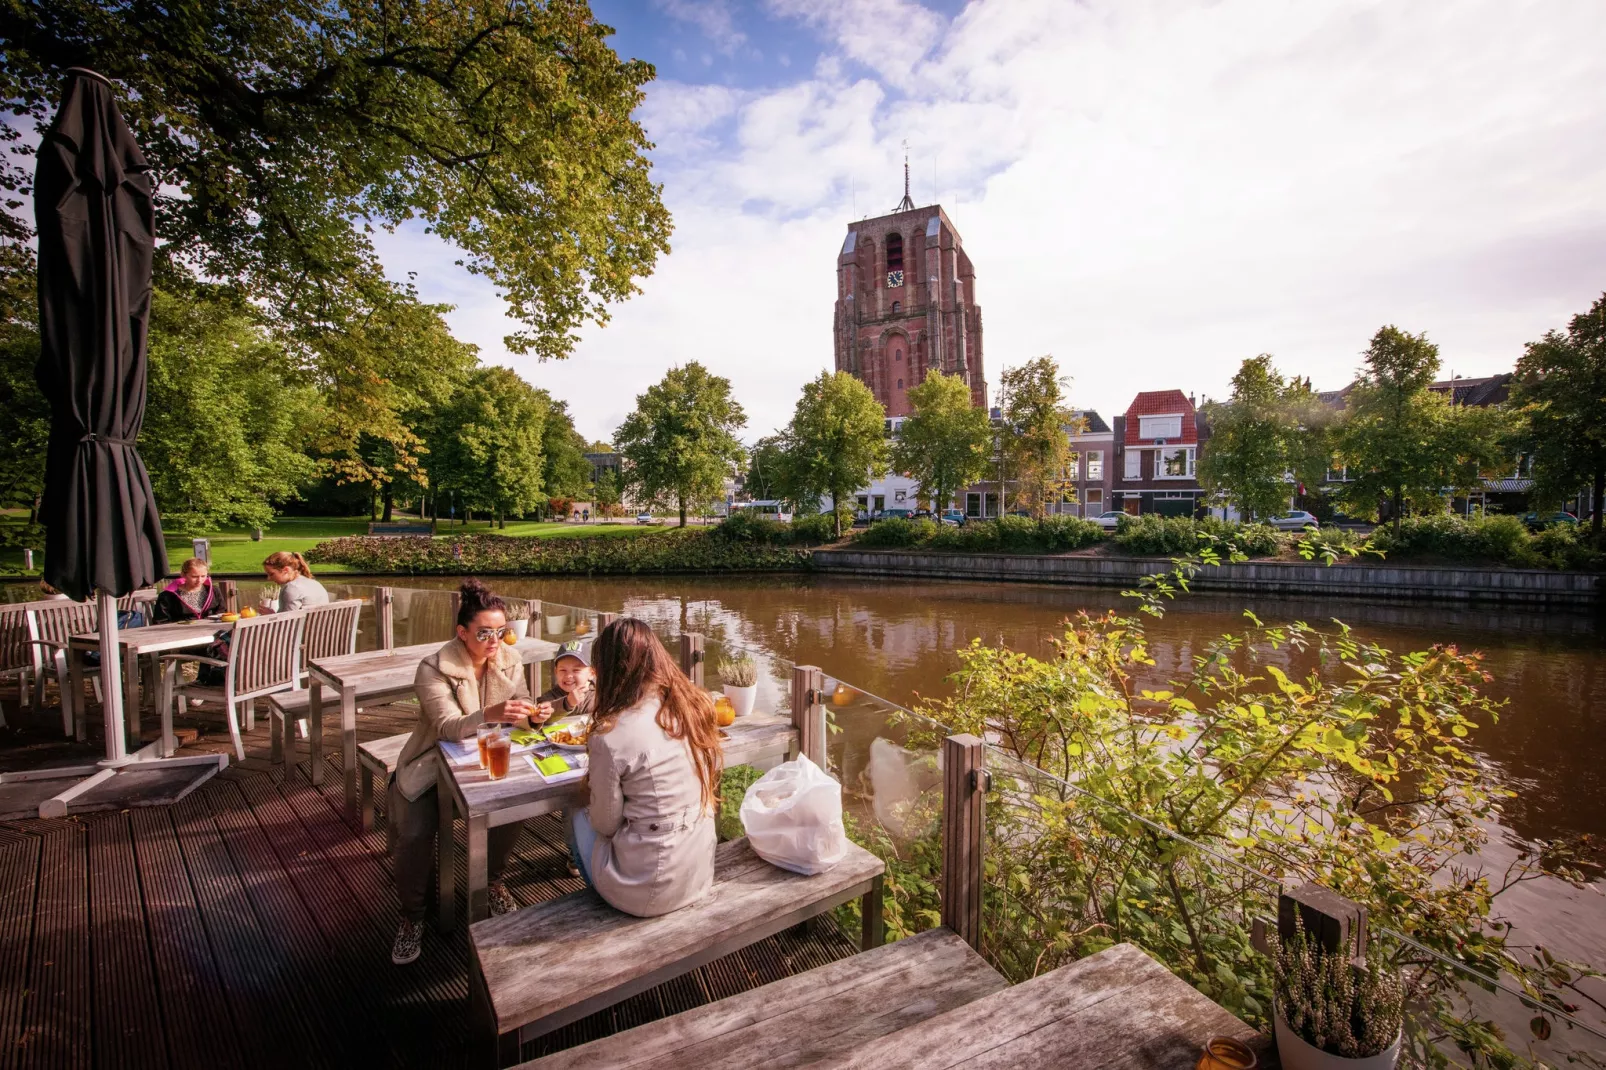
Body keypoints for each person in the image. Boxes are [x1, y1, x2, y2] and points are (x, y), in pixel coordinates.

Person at [389, 579, 549, 965]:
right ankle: (412, 918)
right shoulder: (433, 668)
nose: (495, 640)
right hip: (432, 763)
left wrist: (533, 714)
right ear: (462, 633)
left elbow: (522, 701)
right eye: (484, 633)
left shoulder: (510, 658)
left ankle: (492, 881)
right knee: (413, 832)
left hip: (488, 755)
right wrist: (492, 714)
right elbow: (445, 726)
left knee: (515, 803)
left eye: (501, 632)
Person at [566, 618, 721, 917]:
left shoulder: (610, 736)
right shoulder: (692, 708)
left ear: (610, 671)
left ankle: (586, 899)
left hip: (645, 890)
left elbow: (605, 825)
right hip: (699, 873)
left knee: (575, 811)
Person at [535, 640, 596, 722]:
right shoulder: (547, 698)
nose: (568, 676)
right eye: (563, 670)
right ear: (556, 672)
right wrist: (568, 703)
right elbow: (540, 717)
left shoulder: (600, 696)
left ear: (592, 673)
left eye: (576, 670)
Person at [153, 558, 227, 622]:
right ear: (183, 575)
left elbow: (221, 612)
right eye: (194, 576)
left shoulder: (214, 590)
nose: (199, 580)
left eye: (203, 576)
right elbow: (161, 620)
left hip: (210, 630)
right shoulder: (167, 596)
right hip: (180, 633)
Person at [258, 551, 329, 612]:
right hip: (320, 627)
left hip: (302, 627)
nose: (269, 578)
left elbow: (286, 623)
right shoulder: (314, 583)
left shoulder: (291, 588)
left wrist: (270, 617)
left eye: (271, 574)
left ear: (286, 570)